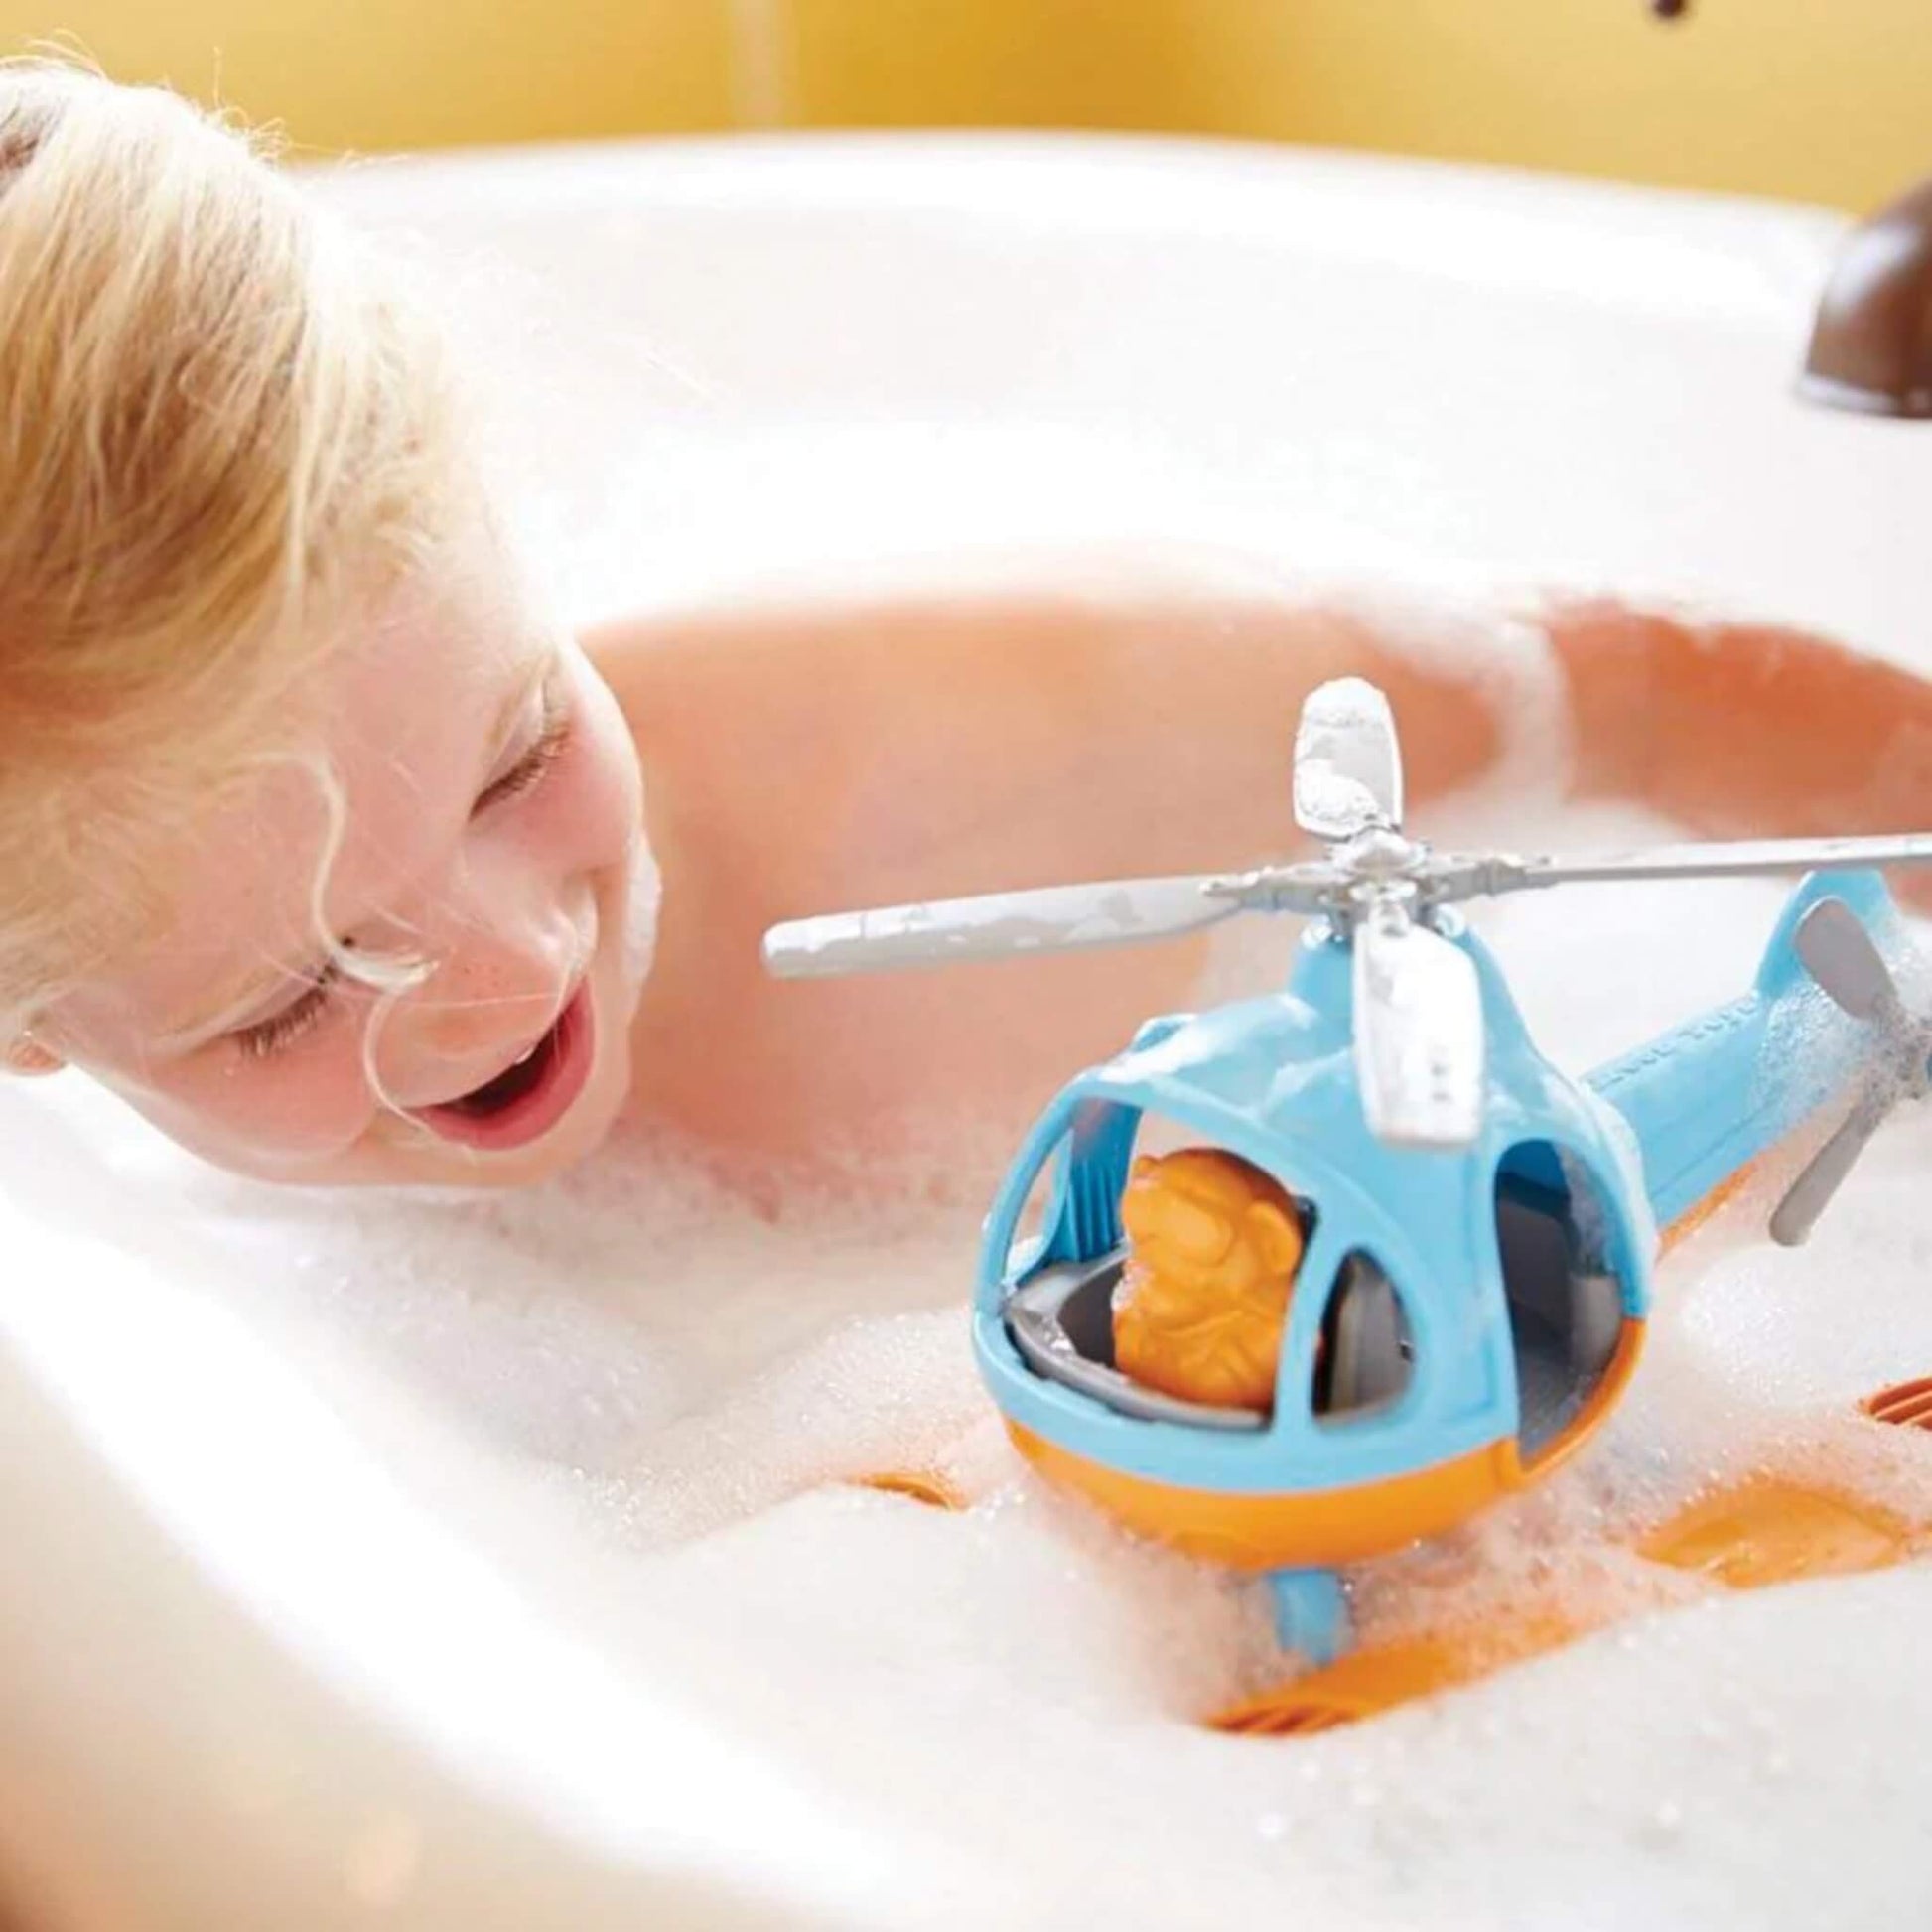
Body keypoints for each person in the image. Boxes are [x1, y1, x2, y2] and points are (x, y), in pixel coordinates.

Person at [6, 62, 1931, 1197]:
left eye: (520, 750)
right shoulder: (142, 1267)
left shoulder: (973, 740)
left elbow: (1623, 693)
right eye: (287, 996)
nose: (509, 967)